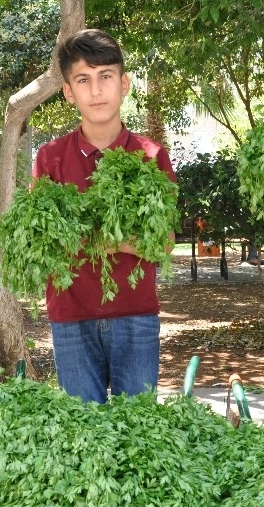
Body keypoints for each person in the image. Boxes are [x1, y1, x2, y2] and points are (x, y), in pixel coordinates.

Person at [32, 29, 176, 404]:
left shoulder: (151, 156)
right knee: (84, 435)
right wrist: (119, 242)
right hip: (70, 316)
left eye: (105, 77)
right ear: (69, 92)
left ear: (124, 83)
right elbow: (43, 242)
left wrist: (102, 241)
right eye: (83, 79)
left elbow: (164, 243)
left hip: (135, 315)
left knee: (138, 431)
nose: (96, 91)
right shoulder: (50, 158)